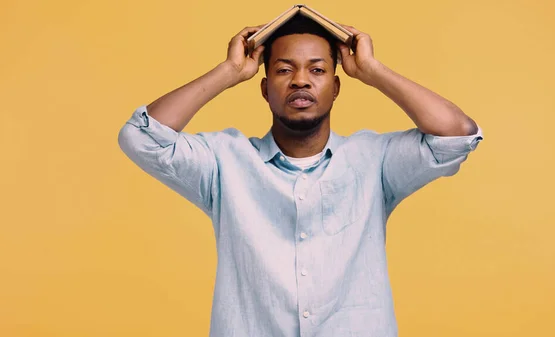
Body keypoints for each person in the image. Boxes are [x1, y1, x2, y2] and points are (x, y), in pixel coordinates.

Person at [118, 14, 482, 337]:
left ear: (336, 88)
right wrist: (228, 72)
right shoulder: (224, 162)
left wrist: (372, 70)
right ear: (264, 88)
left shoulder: (374, 161)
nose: (300, 81)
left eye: (318, 70)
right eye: (283, 69)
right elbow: (141, 137)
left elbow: (457, 134)